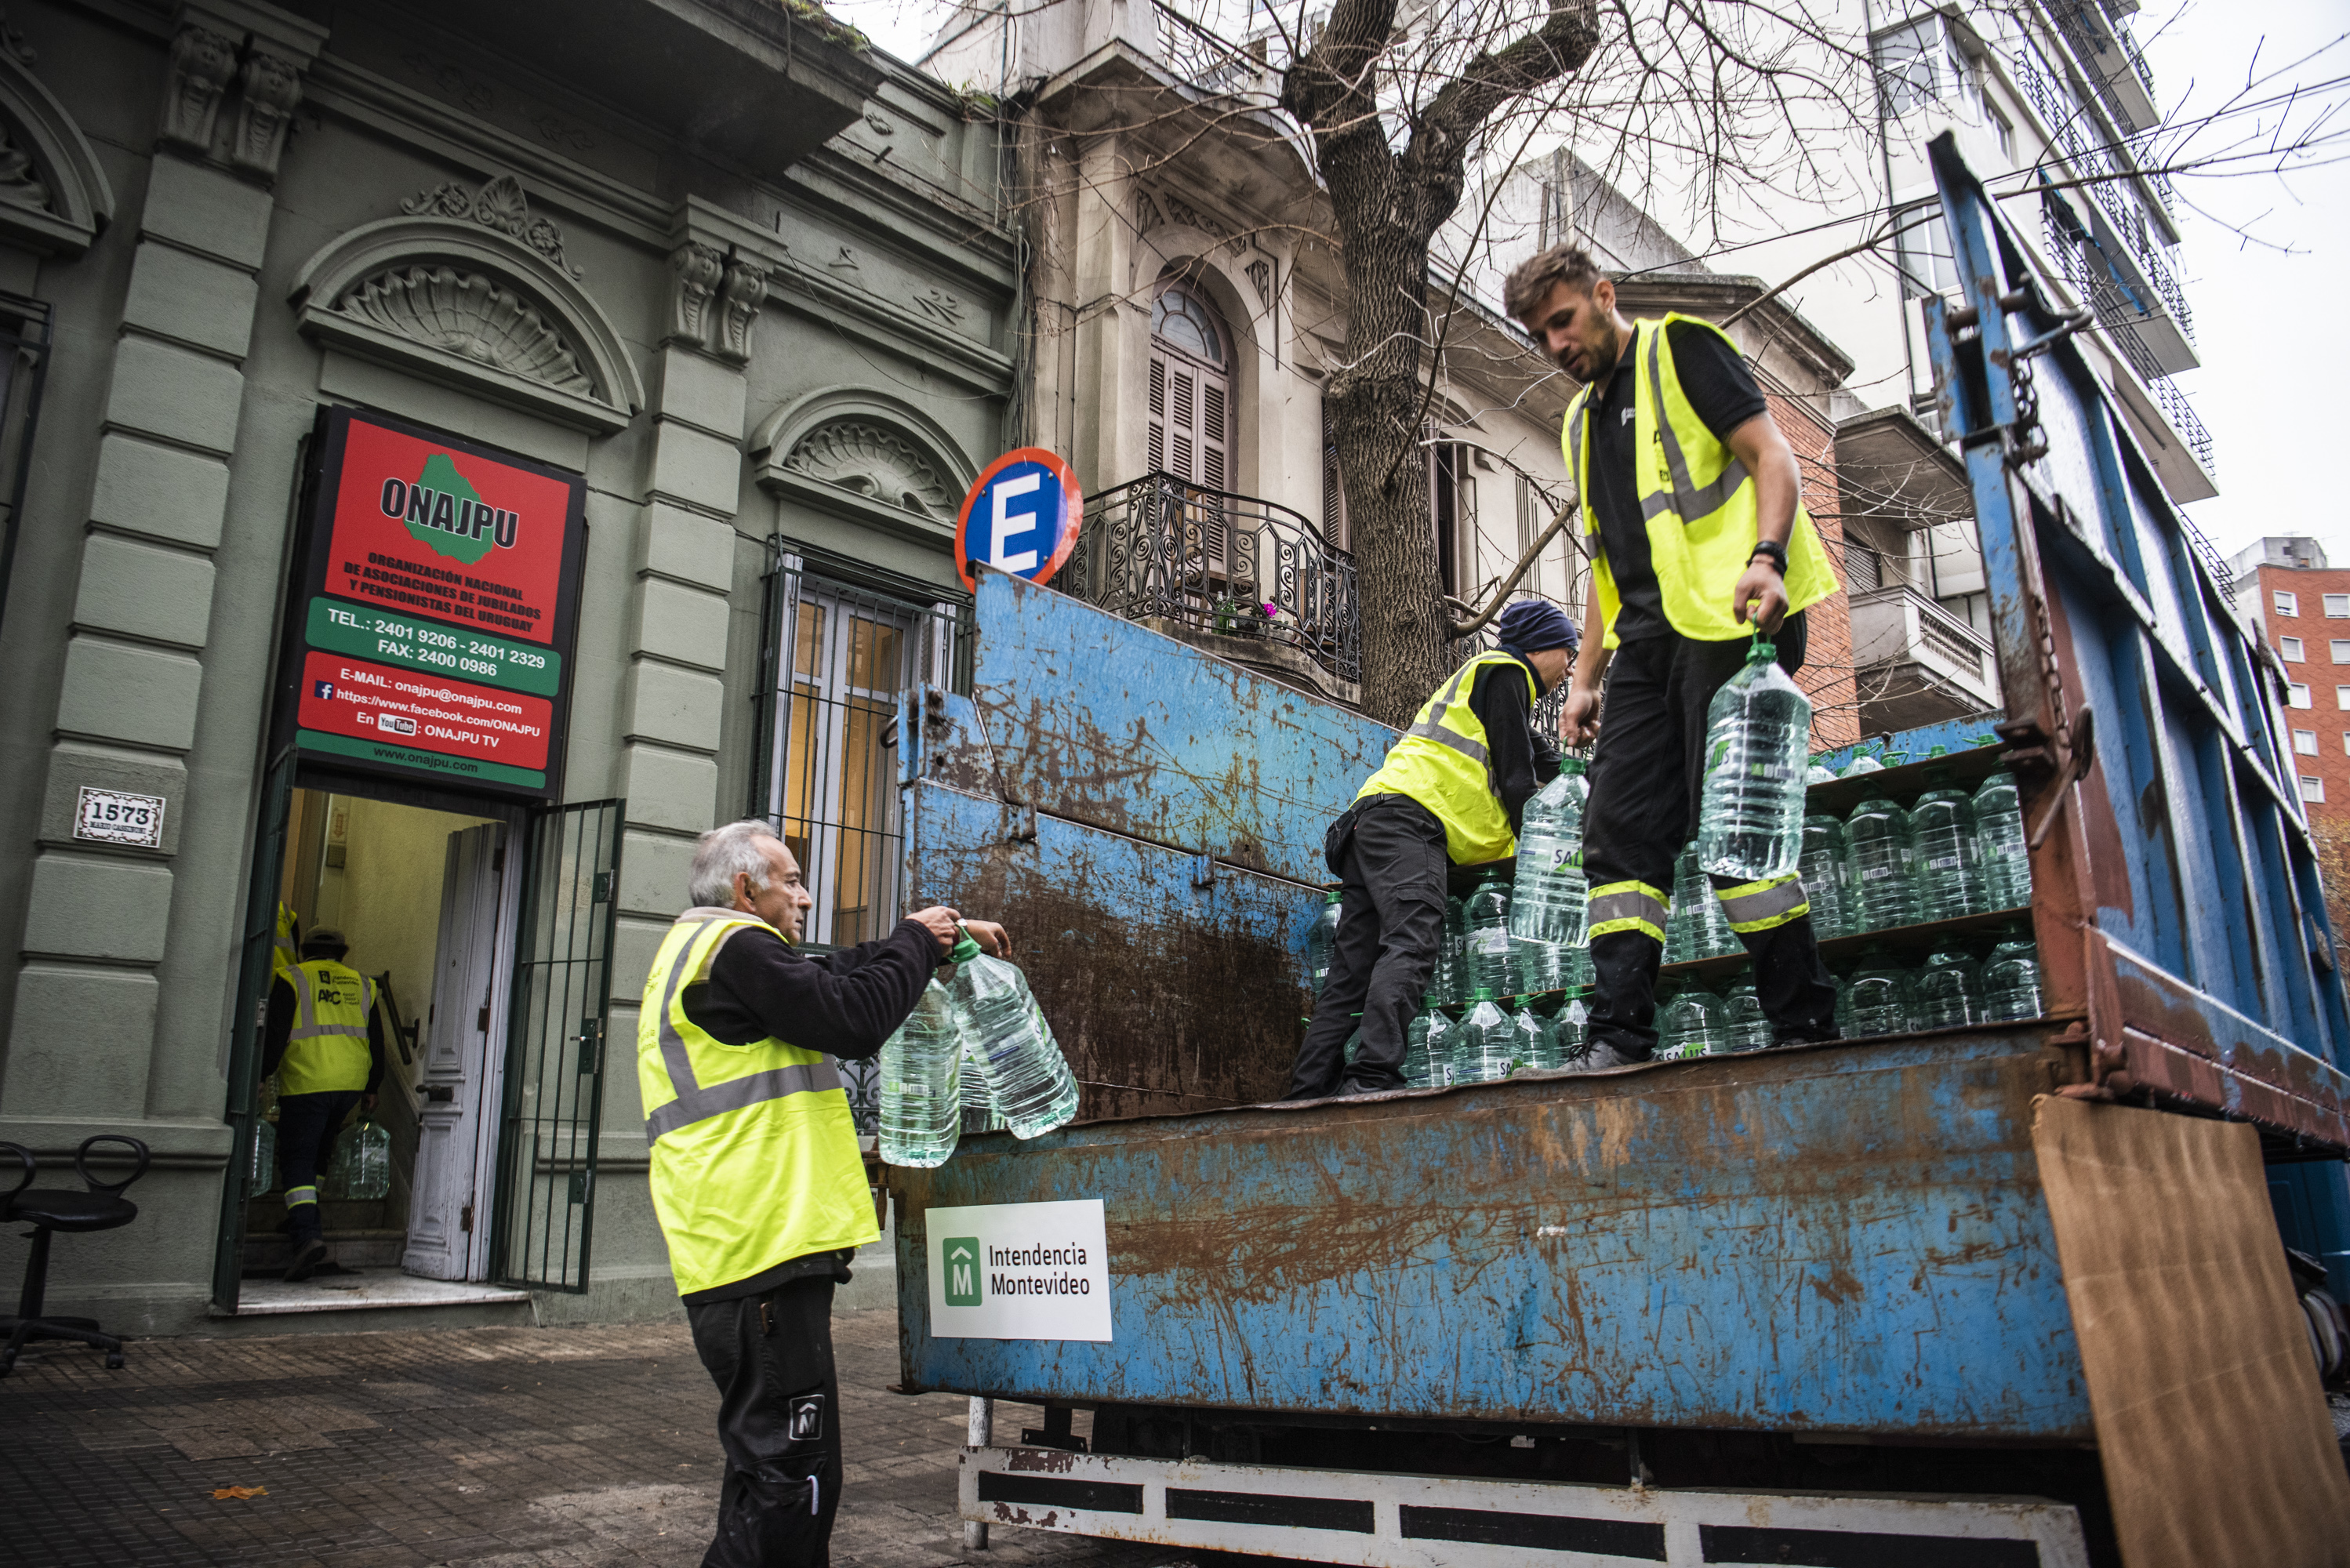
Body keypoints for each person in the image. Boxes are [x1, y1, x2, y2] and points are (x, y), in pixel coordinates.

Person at [1505, 243, 1842, 1067]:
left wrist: (1766, 556)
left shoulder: (1683, 349)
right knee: (1616, 832)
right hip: (1651, 644)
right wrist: (1582, 680)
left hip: (1736, 619)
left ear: (1604, 296)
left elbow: (1774, 457)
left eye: (1564, 321)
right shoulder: (1580, 423)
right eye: (1541, 336)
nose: (1557, 346)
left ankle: (1802, 1022)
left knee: (1733, 825)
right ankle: (1620, 1034)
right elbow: (1604, 566)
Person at [642, 818, 1010, 1568]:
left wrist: (931, 939)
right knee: (793, 1478)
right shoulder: (735, 947)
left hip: (744, 1248)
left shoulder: (708, 952)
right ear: (746, 888)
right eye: (792, 881)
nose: (806, 897)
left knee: (769, 1470)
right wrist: (913, 936)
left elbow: (831, 974)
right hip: (760, 1249)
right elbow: (852, 1016)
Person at [1284, 599, 1576, 1099]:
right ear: (1541, 646)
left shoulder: (1487, 688)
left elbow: (1549, 765)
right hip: (1409, 823)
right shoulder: (1505, 671)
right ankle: (1372, 1076)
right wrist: (1548, 857)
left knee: (1352, 969)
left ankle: (1307, 1089)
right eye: (1568, 654)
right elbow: (1517, 781)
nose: (1570, 669)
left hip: (1372, 822)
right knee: (1414, 942)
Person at [263, 927, 387, 1281]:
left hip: (308, 1080)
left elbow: (275, 1033)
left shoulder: (291, 977)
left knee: (296, 1156)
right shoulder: (363, 984)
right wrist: (373, 1086)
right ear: (343, 954)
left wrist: (261, 1074)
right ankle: (301, 1214)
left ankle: (305, 1236)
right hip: (349, 1084)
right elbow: (375, 1039)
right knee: (318, 1154)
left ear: (304, 950)